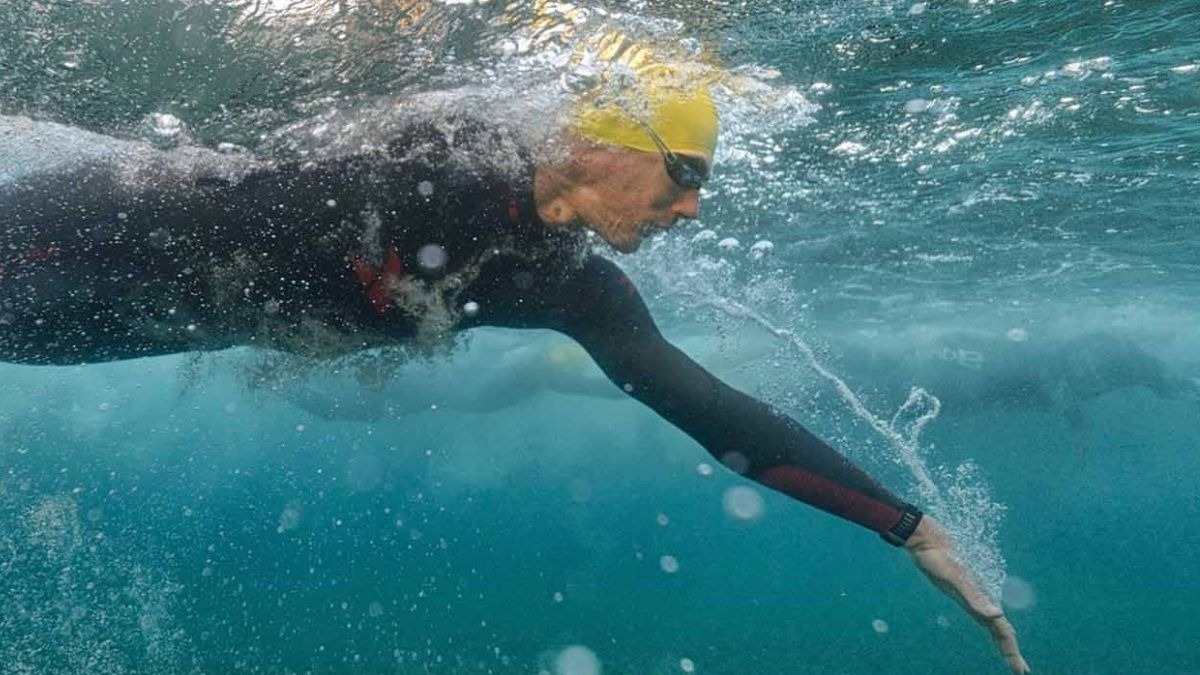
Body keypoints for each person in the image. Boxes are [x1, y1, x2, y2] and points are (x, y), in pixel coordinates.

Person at [0, 44, 1031, 673]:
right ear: (601, 144)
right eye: (681, 174)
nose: (694, 207)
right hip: (97, 228)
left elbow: (703, 404)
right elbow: (230, 156)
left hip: (149, 322)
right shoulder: (438, 152)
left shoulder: (568, 285)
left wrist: (909, 527)